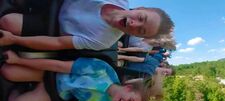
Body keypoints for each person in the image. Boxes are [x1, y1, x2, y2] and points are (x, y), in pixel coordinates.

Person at [0, 50, 153, 101]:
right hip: (52, 73)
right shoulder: (102, 70)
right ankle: (23, 78)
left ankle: (20, 89)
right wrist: (19, 60)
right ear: (127, 87)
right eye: (130, 100)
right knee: (8, 70)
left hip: (55, 92)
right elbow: (58, 66)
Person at [0, 0, 174, 51]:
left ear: (139, 37)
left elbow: (58, 43)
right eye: (141, 17)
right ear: (141, 8)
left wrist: (15, 39)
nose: (134, 24)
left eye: (140, 30)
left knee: (7, 23)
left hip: (52, 25)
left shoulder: (103, 41)